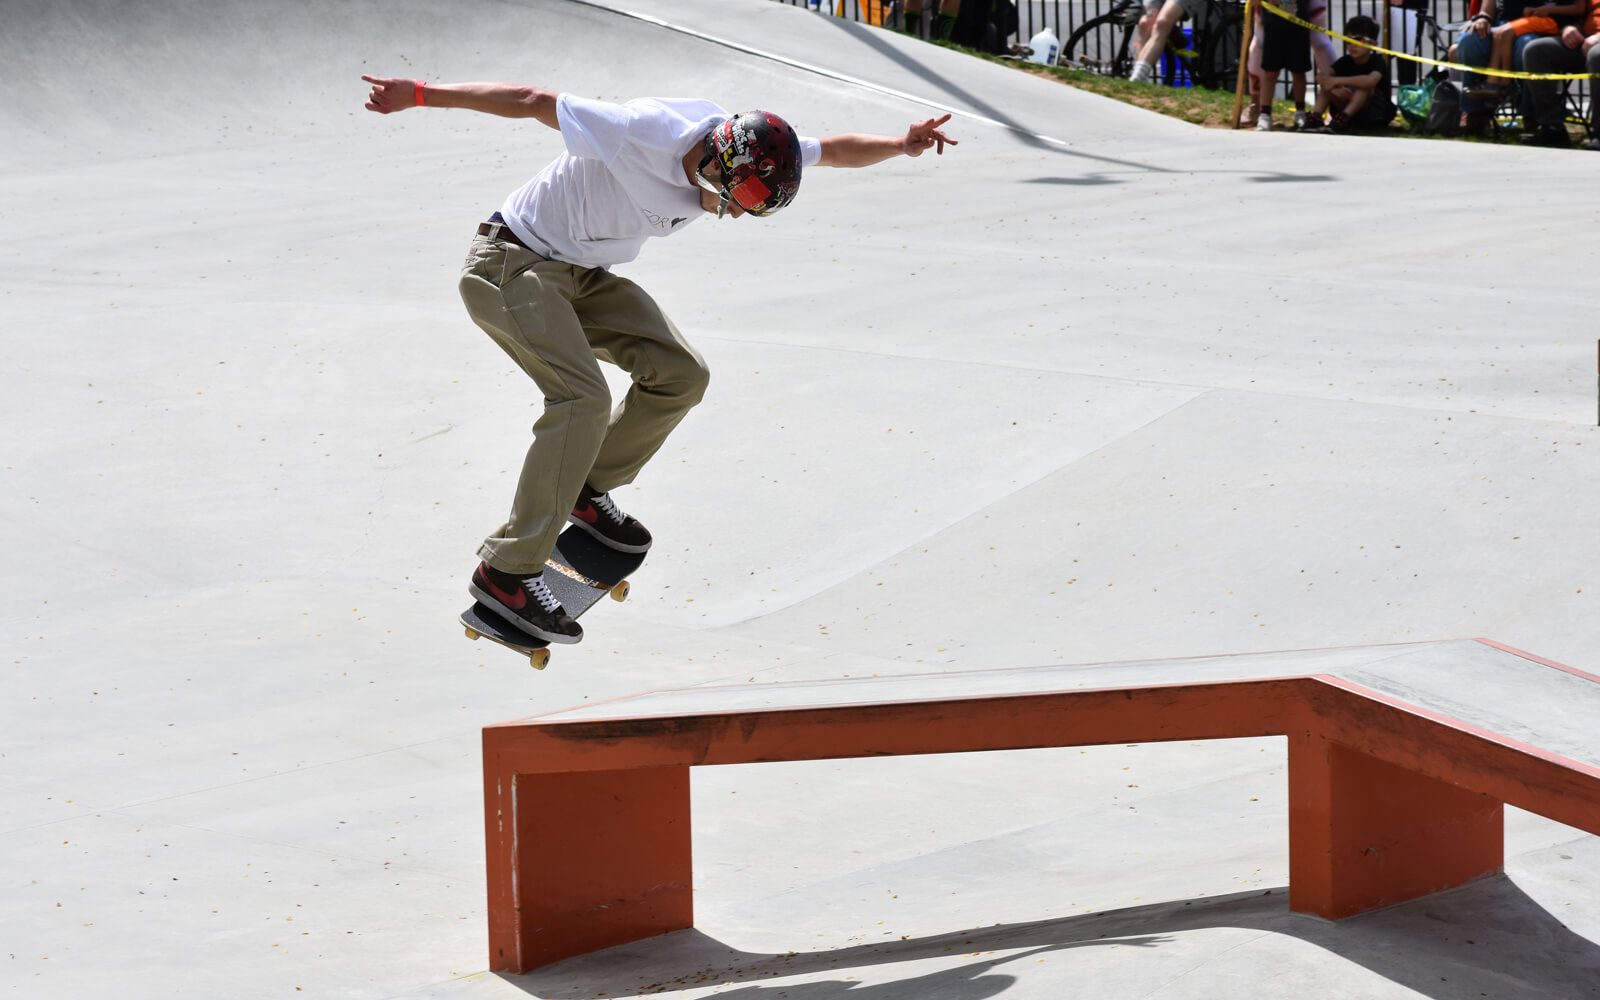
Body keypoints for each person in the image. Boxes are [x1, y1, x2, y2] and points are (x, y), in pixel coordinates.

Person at [361, 76, 956, 644]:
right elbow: (530, 99)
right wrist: (417, 95)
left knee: (681, 374)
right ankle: (507, 571)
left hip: (581, 276)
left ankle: (582, 489)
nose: (735, 213)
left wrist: (901, 145)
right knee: (582, 400)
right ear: (714, 161)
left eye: (753, 207)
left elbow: (834, 151)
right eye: (738, 198)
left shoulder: (751, 147)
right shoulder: (640, 132)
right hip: (511, 263)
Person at [1466, 0, 1588, 103]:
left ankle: (1501, 83)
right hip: (1543, 18)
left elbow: (1579, 8)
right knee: (1499, 33)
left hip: (1555, 22)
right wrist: (1539, 10)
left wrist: (1549, 10)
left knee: (1502, 33)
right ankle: (1497, 82)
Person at [1519, 6, 1600, 148]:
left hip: (1595, 44)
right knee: (1536, 51)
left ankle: (1599, 133)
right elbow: (1579, 12)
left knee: (1596, 56)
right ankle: (1553, 129)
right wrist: (1570, 28)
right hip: (1584, 40)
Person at [1455, 0, 1540, 134]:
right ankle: (1473, 110)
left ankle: (1529, 113)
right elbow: (1487, 10)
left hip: (1531, 27)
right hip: (1500, 27)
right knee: (1469, 40)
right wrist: (1482, 17)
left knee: (1528, 46)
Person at [1309, 15, 1397, 131]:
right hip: (1348, 106)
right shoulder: (1345, 61)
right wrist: (1333, 89)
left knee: (1363, 88)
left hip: (1375, 113)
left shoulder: (1377, 61)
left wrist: (1336, 81)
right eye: (1349, 40)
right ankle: (1316, 118)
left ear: (1373, 44)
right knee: (1327, 86)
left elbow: (1370, 81)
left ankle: (1342, 120)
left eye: (1359, 40)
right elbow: (1321, 77)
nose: (1353, 45)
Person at [1251, 0, 1315, 131]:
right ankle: (1265, 114)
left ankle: (1300, 112)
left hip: (1297, 24)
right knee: (1270, 72)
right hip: (1273, 25)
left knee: (1299, 72)